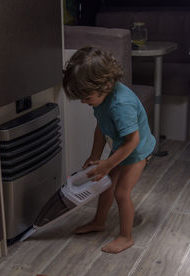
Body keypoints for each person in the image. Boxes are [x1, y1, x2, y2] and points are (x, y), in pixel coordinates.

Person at [63, 46, 156, 254]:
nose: (83, 102)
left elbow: (133, 141)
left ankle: (126, 236)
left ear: (105, 84)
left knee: (122, 192)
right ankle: (99, 222)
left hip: (138, 151)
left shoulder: (120, 105)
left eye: (86, 98)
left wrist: (108, 163)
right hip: (122, 147)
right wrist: (95, 156)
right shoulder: (102, 98)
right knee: (105, 185)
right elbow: (101, 127)